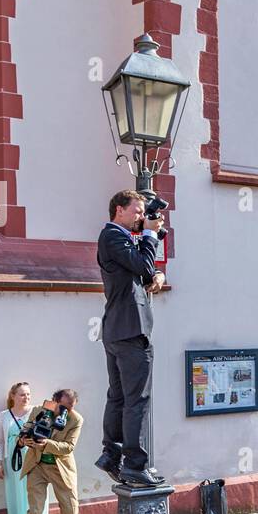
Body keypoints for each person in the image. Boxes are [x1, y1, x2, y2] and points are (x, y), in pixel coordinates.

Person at [96, 189, 166, 488]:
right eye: (136, 211)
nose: (140, 217)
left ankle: (111, 453)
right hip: (130, 329)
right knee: (137, 398)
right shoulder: (112, 236)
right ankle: (136, 464)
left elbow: (143, 273)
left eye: (142, 212)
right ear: (119, 210)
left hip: (117, 329)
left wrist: (156, 276)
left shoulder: (118, 239)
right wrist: (149, 236)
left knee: (120, 396)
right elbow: (143, 265)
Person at [20, 389, 85, 514]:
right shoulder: (39, 410)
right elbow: (26, 430)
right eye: (64, 407)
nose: (67, 411)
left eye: (71, 407)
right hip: (37, 464)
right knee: (35, 509)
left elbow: (68, 447)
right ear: (55, 401)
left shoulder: (75, 419)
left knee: (70, 505)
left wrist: (46, 443)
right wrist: (24, 440)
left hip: (61, 467)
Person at [0, 381, 47, 514]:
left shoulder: (36, 411)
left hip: (34, 458)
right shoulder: (3, 416)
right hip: (13, 461)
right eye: (22, 394)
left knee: (35, 495)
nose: (26, 397)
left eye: (28, 394)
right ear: (13, 396)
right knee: (16, 496)